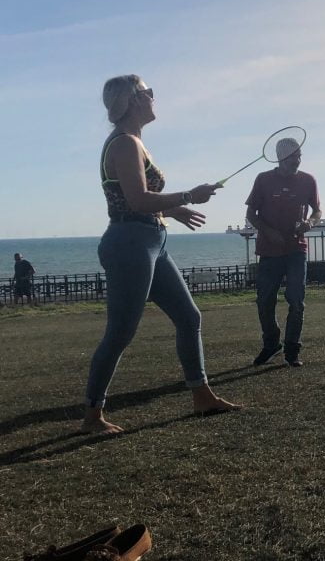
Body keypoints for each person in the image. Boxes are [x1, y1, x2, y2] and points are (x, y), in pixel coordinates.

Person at [84, 75, 238, 435]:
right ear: (132, 100)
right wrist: (188, 196)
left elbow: (135, 201)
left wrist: (172, 211)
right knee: (120, 332)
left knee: (189, 316)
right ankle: (92, 416)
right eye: (148, 92)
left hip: (151, 241)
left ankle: (202, 396)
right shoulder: (125, 143)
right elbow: (137, 200)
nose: (154, 97)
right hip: (130, 244)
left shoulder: (134, 142)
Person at [246, 137, 321, 367]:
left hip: (296, 249)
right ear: (281, 157)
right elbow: (250, 215)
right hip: (269, 251)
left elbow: (317, 211)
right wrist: (269, 232)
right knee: (264, 301)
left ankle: (292, 349)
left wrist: (310, 223)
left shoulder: (308, 180)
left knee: (296, 300)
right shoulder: (263, 180)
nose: (297, 160)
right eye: (293, 156)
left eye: (299, 156)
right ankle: (271, 344)